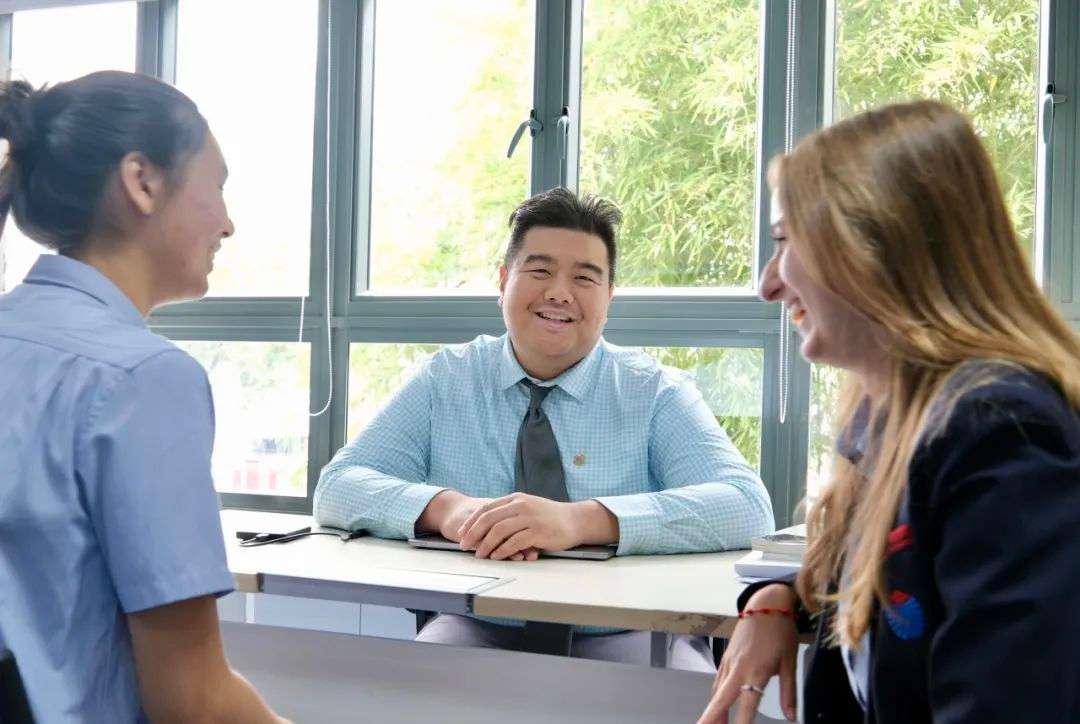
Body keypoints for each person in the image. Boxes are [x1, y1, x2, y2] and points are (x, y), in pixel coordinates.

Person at [699, 100, 1080, 724]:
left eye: (786, 241)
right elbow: (895, 578)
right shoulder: (890, 414)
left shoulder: (1003, 428)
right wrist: (778, 598)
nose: (767, 284)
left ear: (875, 248)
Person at [315, 187, 774, 669]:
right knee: (415, 684)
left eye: (584, 277)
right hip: (477, 625)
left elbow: (748, 507)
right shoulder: (445, 380)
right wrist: (448, 509)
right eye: (539, 271)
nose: (559, 292)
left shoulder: (654, 392)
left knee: (684, 692)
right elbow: (337, 487)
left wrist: (580, 522)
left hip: (629, 631)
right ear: (503, 281)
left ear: (609, 298)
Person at [0, 72, 287, 722]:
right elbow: (194, 703)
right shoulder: (140, 379)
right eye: (217, 187)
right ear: (142, 181)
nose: (228, 224)